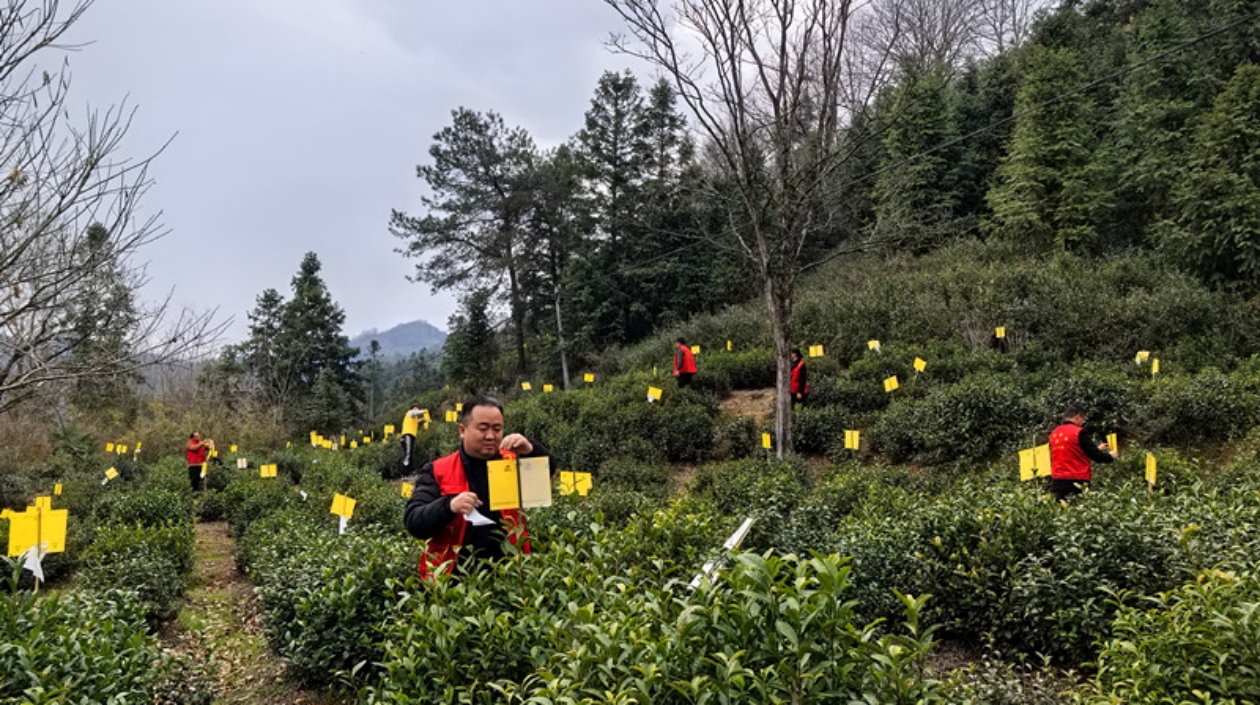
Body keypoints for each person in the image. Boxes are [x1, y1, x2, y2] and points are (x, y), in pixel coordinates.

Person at [403, 396, 547, 577]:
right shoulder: (437, 470)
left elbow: (546, 475)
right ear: (462, 430)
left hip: (512, 576)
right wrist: (449, 506)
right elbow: (414, 521)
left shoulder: (511, 461)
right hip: (454, 582)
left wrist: (532, 450)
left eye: (497, 429)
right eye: (483, 428)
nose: (490, 436)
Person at [1048, 405, 1117, 502]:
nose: (1082, 422)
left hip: (1057, 481)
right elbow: (1096, 456)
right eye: (1082, 419)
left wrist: (1097, 449)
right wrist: (1111, 456)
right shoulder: (1079, 432)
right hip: (1077, 481)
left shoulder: (1054, 433)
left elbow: (1070, 451)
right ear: (1077, 417)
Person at [399, 404, 425, 474]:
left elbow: (418, 421)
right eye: (416, 409)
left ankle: (409, 471)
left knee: (410, 454)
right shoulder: (409, 413)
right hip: (407, 436)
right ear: (412, 409)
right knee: (408, 454)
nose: (417, 410)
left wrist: (423, 419)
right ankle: (404, 472)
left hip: (411, 436)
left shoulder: (414, 418)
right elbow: (415, 412)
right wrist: (425, 411)